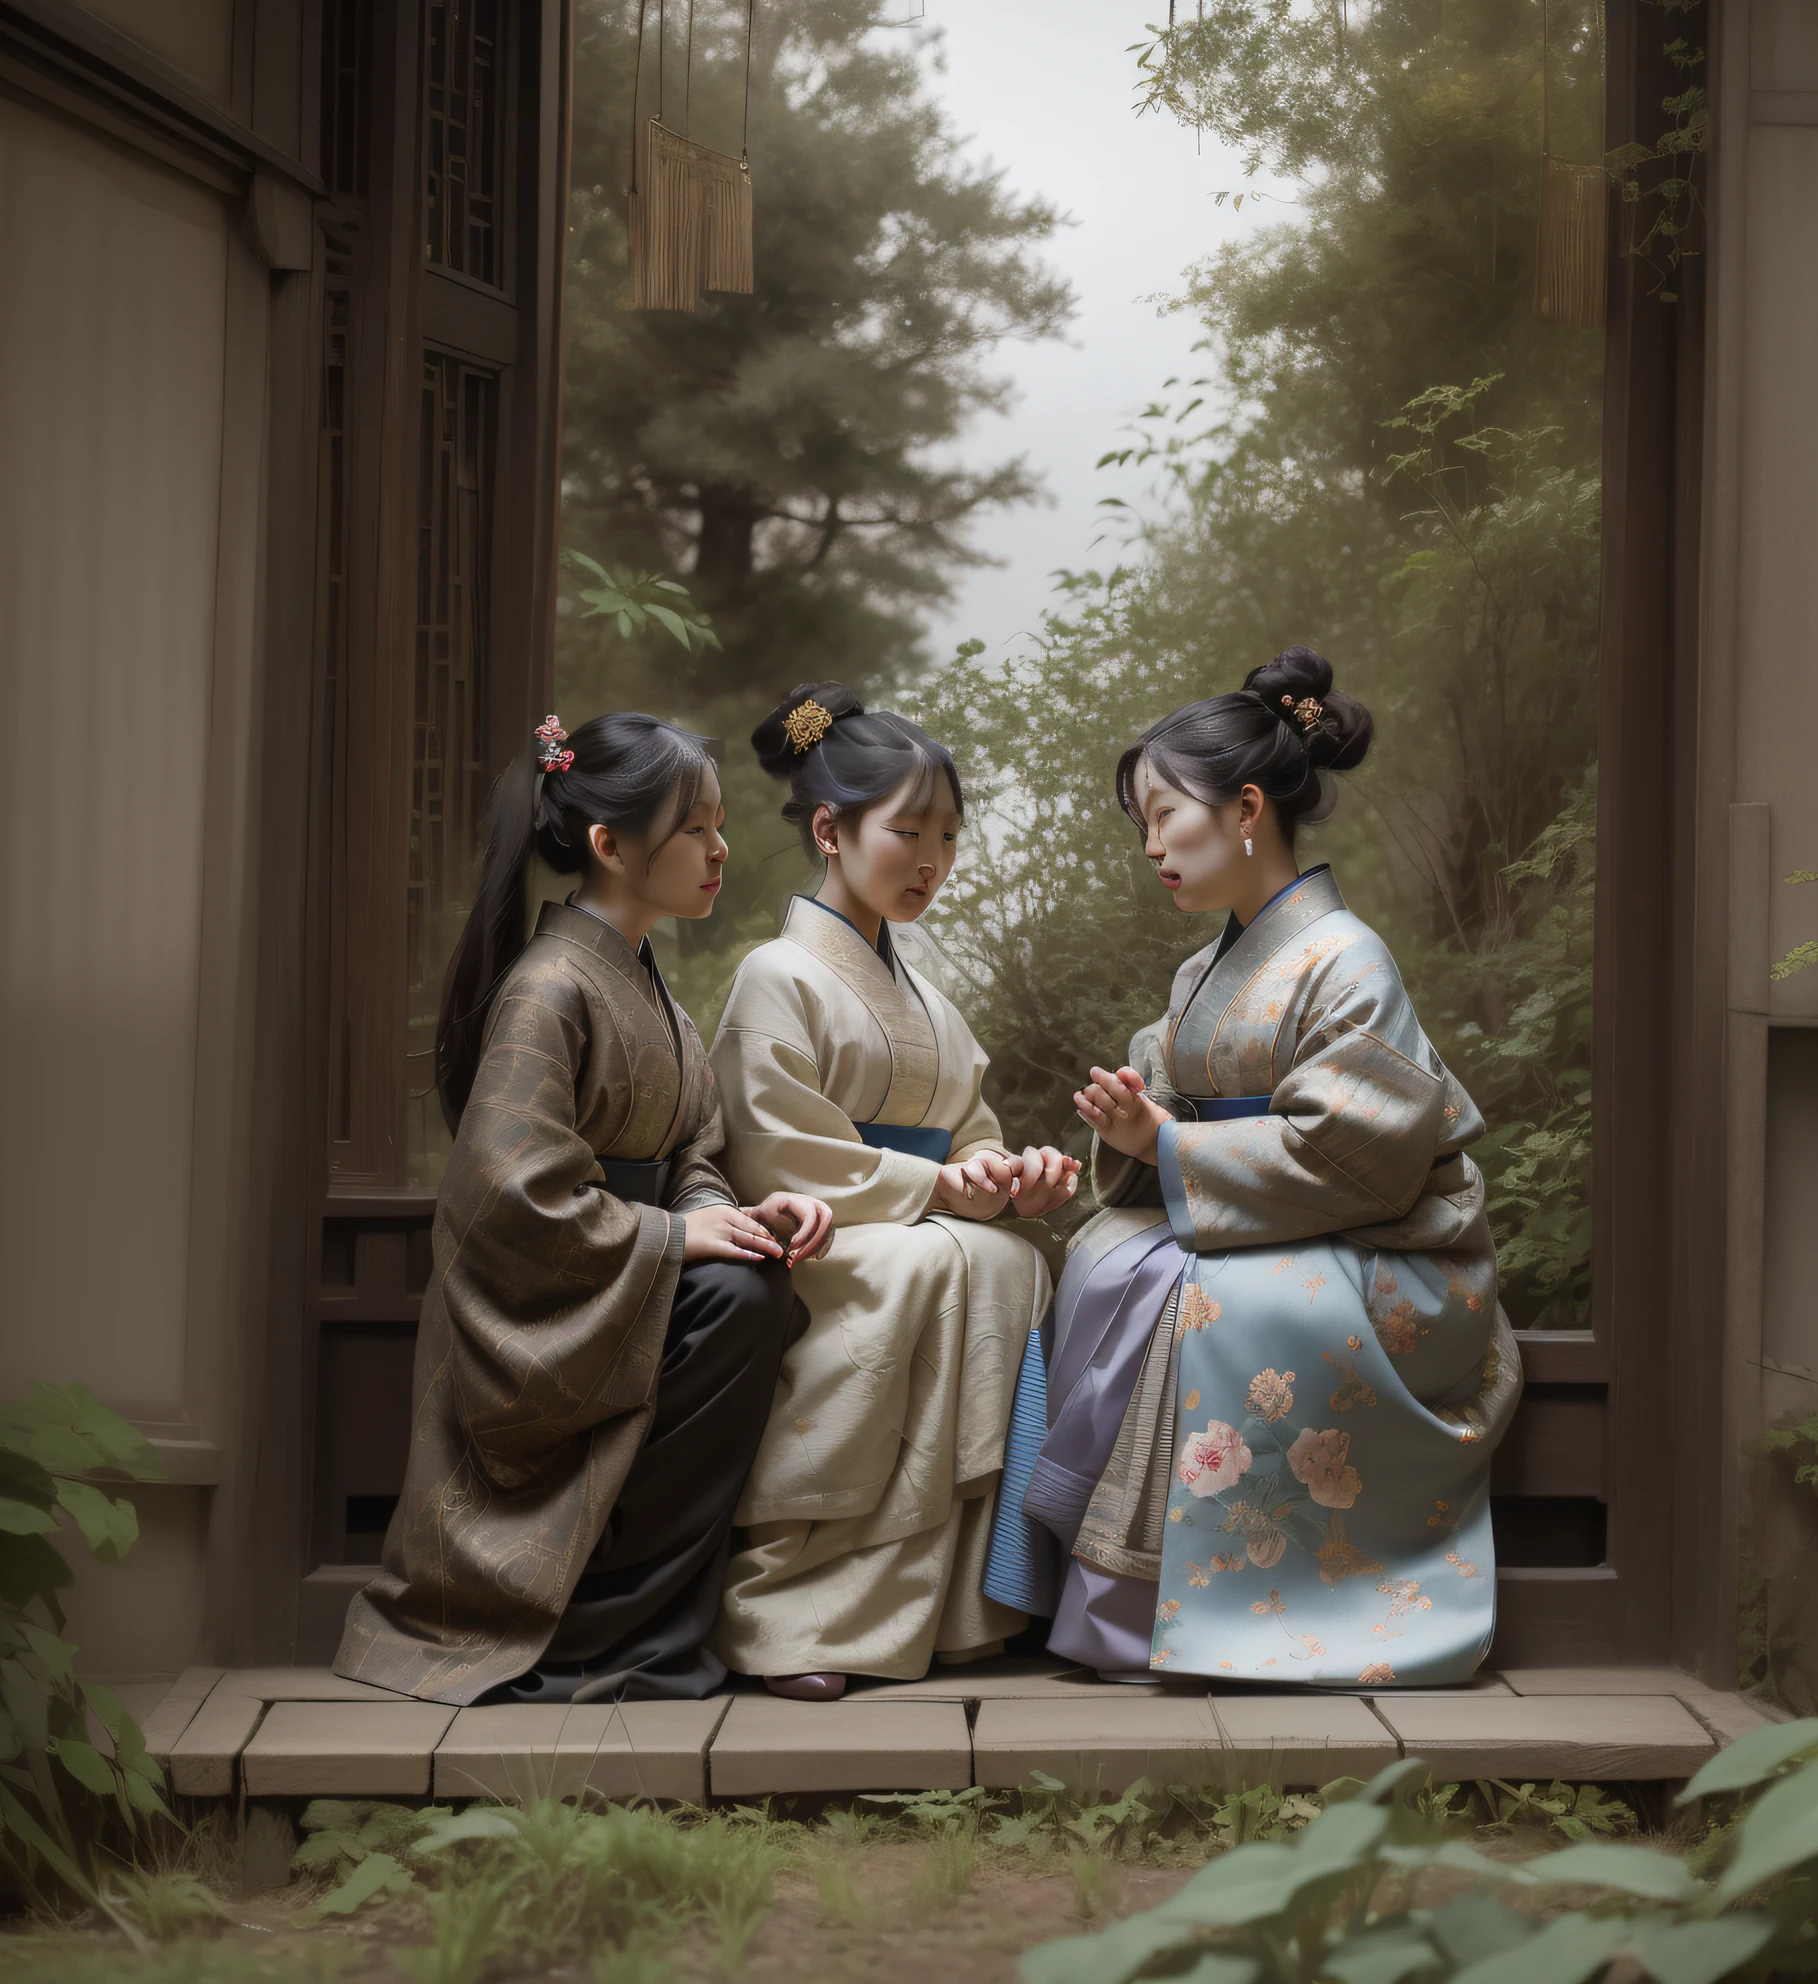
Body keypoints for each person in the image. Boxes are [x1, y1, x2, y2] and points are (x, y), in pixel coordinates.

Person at [1020, 647, 1522, 1686]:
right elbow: (1187, 1096)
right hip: (1265, 1206)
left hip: (1375, 1234)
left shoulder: (1345, 955)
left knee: (1181, 1291)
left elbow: (1363, 1150)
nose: (1151, 845)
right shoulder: (1203, 964)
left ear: (1246, 806)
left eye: (1166, 816)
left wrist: (1166, 1142)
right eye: (1141, 825)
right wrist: (1140, 1123)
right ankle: (1119, 1591)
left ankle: (1180, 1606)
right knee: (1107, 1254)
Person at [335, 712, 832, 1705]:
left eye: (720, 826)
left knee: (751, 1286)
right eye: (695, 828)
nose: (721, 849)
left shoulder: (655, 993)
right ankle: (588, 1626)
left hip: (614, 1272)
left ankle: (640, 1625)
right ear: (609, 843)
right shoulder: (549, 987)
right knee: (737, 1301)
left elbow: (691, 1144)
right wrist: (669, 1234)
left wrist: (730, 1211)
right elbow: (508, 1196)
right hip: (542, 1306)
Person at [708, 684, 1078, 1699]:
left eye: (948, 836)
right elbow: (777, 1153)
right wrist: (941, 1186)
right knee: (926, 1257)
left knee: (1005, 1256)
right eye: (906, 831)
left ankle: (964, 1602)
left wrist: (1008, 1179)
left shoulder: (923, 997)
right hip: (816, 1226)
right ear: (829, 829)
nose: (931, 860)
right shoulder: (775, 974)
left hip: (903, 1213)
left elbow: (970, 1128)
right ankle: (797, 1606)